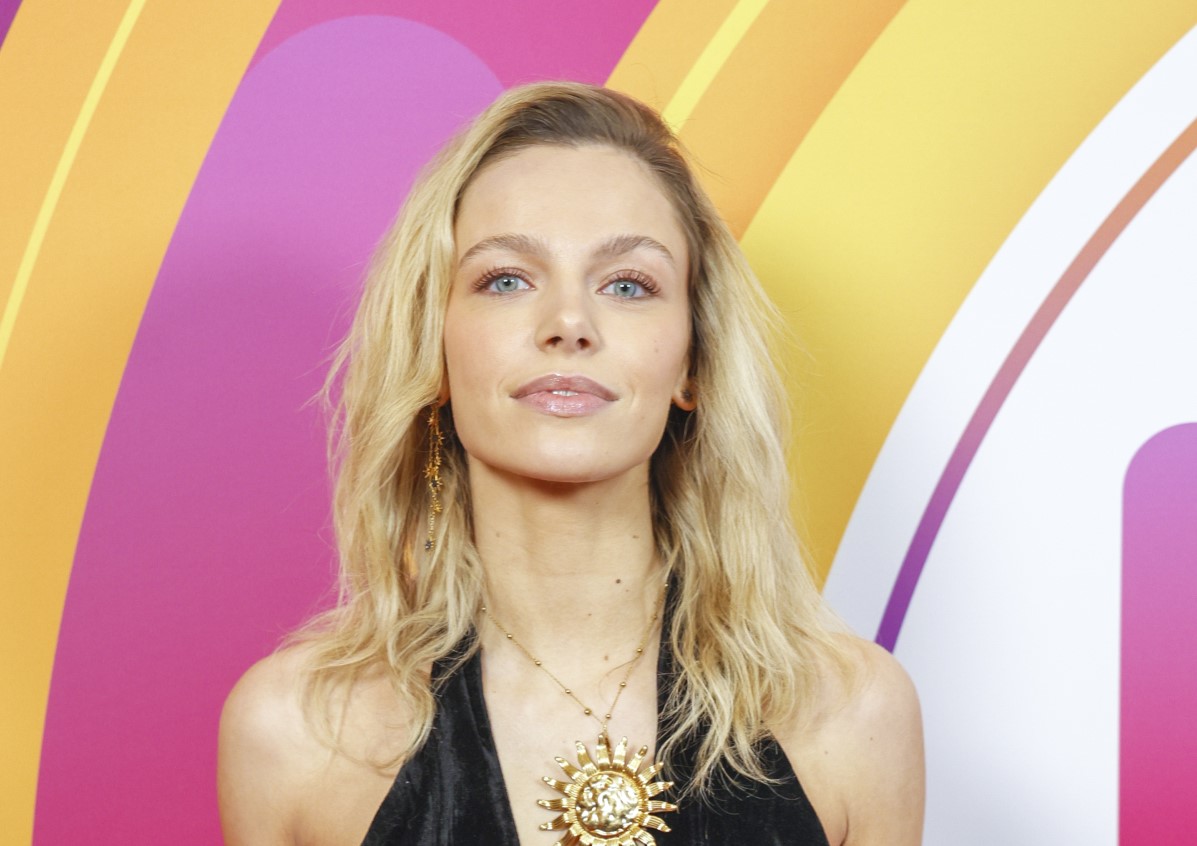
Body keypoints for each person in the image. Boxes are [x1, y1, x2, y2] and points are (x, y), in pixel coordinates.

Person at [218, 81, 924, 845]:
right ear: (435, 346)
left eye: (627, 285)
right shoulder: (297, 734)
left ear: (693, 362)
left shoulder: (849, 715)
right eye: (506, 279)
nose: (567, 323)